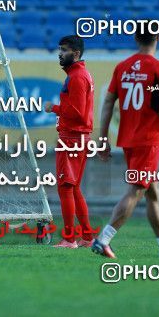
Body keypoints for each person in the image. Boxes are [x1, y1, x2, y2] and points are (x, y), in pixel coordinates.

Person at [92, 22, 159, 259]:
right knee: (137, 190)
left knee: (152, 193)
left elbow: (107, 104)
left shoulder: (122, 67)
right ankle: (103, 239)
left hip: (128, 139)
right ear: (157, 37)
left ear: (136, 38)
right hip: (148, 140)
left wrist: (103, 138)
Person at [45, 35, 95, 249]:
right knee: (73, 188)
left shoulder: (77, 77)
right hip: (79, 137)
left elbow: (78, 113)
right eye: (60, 49)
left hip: (72, 137)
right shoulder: (78, 74)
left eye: (64, 50)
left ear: (76, 54)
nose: (60, 53)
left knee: (65, 187)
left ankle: (69, 239)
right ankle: (87, 237)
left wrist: (53, 108)